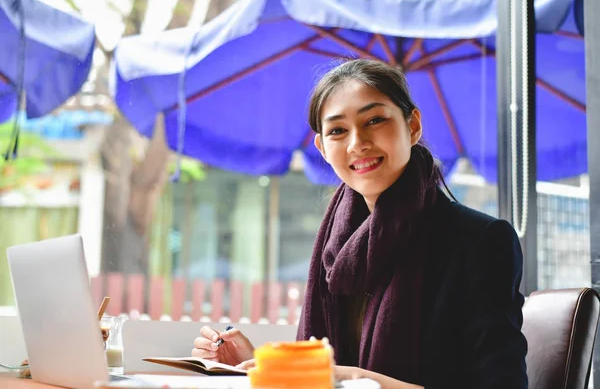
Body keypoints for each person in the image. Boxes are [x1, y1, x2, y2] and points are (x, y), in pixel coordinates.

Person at [192, 59, 528, 389]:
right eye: (338, 130)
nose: (357, 143)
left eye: (375, 120)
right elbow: (328, 376)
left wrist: (356, 378)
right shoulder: (336, 249)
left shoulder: (481, 241)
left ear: (413, 126)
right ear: (323, 148)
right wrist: (262, 368)